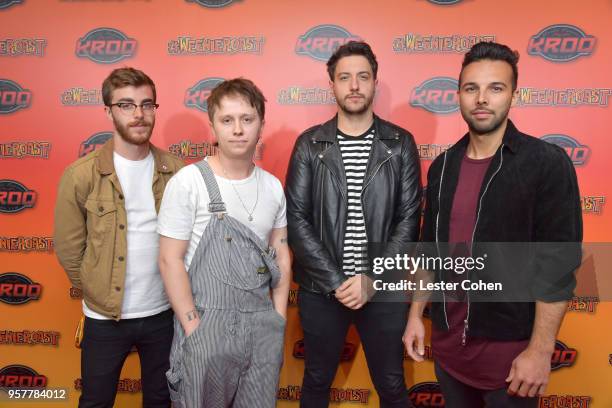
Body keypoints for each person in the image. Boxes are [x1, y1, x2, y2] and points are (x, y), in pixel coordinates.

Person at [403, 41, 582, 407]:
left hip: (512, 366)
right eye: (472, 88)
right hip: (449, 359)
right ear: (459, 96)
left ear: (513, 95)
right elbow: (428, 253)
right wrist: (415, 315)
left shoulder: (546, 163)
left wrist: (540, 351)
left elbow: (558, 267)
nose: (482, 98)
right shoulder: (443, 167)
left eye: (495, 88)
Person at [285, 41, 422, 407]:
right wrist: (336, 281)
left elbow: (409, 220)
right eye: (345, 78)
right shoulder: (309, 145)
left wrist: (371, 278)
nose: (355, 85)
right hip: (322, 288)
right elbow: (296, 219)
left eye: (363, 76)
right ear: (332, 85)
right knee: (316, 381)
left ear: (375, 82)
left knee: (392, 385)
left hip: (383, 287)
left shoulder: (400, 143)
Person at [54, 67, 184, 407]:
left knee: (161, 399)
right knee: (96, 401)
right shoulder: (81, 175)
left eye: (146, 104)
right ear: (108, 111)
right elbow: (69, 248)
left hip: (163, 315)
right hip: (104, 318)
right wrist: (95, 286)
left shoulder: (178, 172)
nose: (138, 114)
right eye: (126, 105)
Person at [157, 78, 291, 408]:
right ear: (213, 126)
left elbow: (282, 254)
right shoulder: (188, 183)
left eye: (247, 119)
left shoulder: (272, 187)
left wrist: (278, 318)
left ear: (261, 124)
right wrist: (193, 327)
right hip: (206, 324)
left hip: (262, 328)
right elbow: (169, 260)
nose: (238, 129)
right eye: (227, 120)